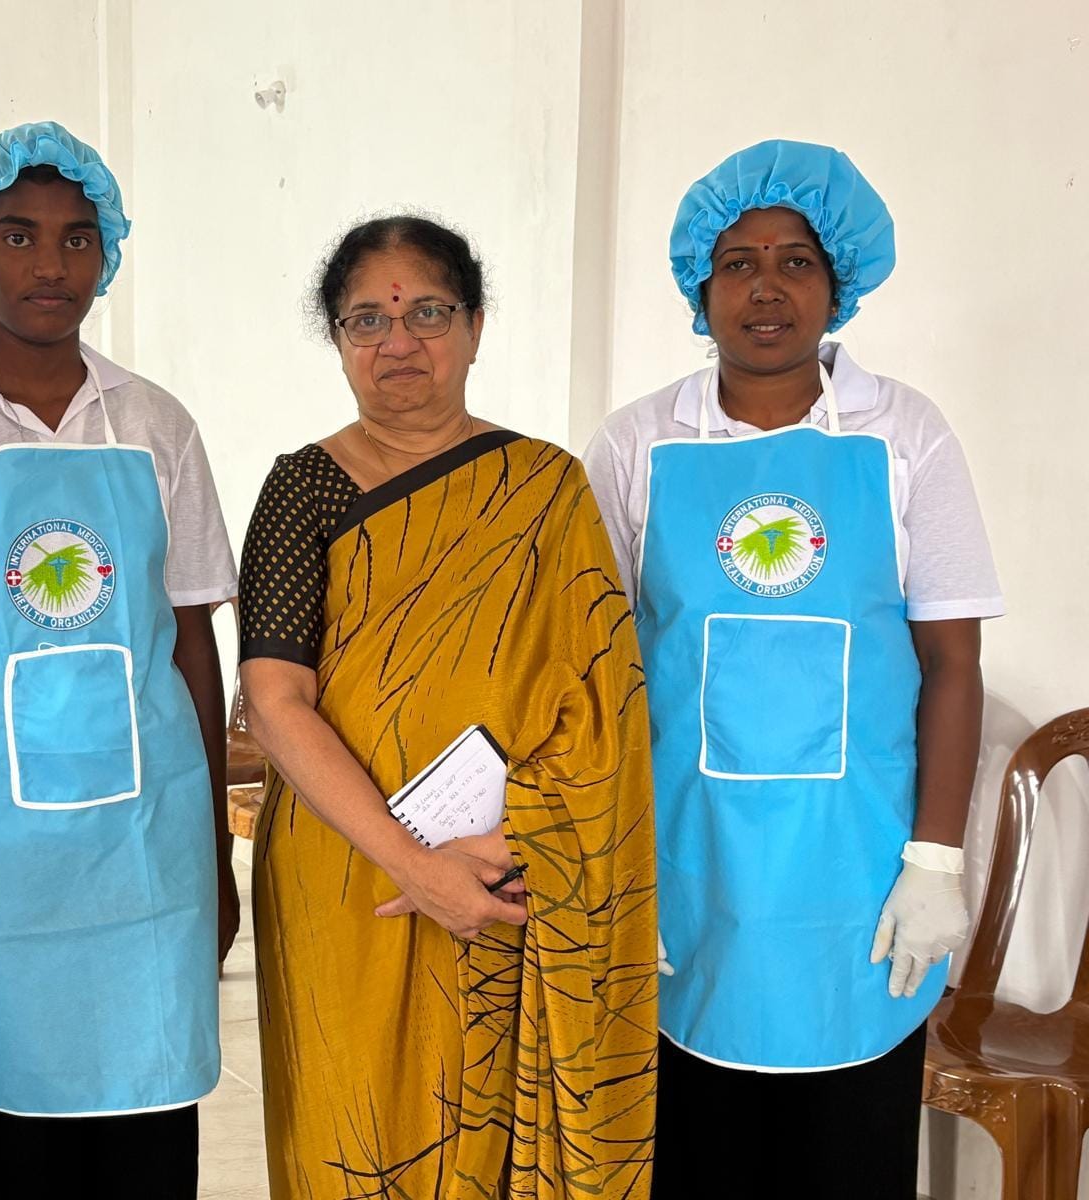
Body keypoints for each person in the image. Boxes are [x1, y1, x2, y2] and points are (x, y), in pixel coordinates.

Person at [584, 140, 996, 1198]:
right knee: (697, 1158)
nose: (764, 286)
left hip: (856, 883)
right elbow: (599, 671)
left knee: (844, 1161)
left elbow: (951, 662)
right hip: (691, 873)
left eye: (794, 260)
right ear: (699, 286)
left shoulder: (905, 434)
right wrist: (613, 866)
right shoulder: (634, 446)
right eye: (736, 262)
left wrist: (936, 863)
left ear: (836, 281)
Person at [0, 121, 237, 1198]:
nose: (49, 265)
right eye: (18, 237)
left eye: (75, 239)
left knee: (147, 1149)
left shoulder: (155, 427)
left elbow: (192, 650)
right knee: (4, 1156)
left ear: (107, 254)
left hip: (144, 866)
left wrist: (209, 855)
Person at [239, 215, 658, 1199]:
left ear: (473, 326)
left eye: (427, 311)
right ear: (337, 340)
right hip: (347, 874)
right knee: (350, 1130)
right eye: (365, 320)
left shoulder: (546, 489)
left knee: (496, 1128)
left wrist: (516, 842)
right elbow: (273, 696)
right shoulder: (303, 487)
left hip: (512, 869)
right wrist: (412, 864)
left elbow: (601, 705)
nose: (399, 342)